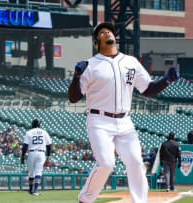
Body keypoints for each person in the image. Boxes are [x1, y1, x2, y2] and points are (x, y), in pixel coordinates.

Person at [68, 22, 179, 203]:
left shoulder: (130, 62)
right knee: (106, 163)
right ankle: (85, 200)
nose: (107, 33)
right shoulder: (90, 65)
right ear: (97, 42)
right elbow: (73, 97)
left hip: (125, 122)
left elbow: (147, 89)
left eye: (109, 31)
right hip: (99, 120)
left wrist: (165, 81)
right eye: (102, 33)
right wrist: (77, 76)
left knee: (136, 162)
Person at [21, 119, 52, 196]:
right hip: (41, 153)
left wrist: (22, 156)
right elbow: (49, 145)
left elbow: (25, 146)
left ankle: (31, 189)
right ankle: (35, 190)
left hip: (31, 153)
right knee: (38, 171)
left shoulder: (29, 132)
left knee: (31, 172)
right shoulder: (44, 132)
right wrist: (48, 156)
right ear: (39, 124)